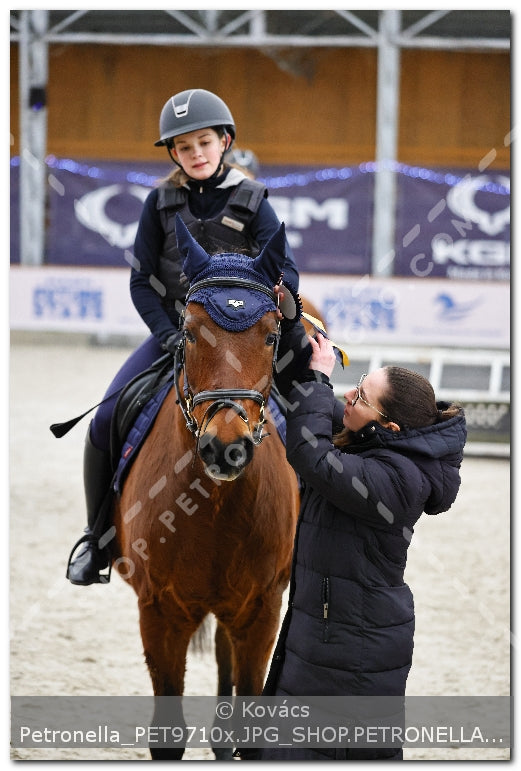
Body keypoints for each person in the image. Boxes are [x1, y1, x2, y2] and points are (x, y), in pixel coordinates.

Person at [66, 88, 300, 585]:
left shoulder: (254, 201)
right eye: (184, 147)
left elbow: (289, 274)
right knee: (104, 418)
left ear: (225, 142)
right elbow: (140, 280)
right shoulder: (159, 202)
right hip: (180, 335)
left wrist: (263, 313)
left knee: (306, 417)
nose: (195, 154)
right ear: (173, 153)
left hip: (242, 338)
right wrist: (169, 333)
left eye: (204, 142)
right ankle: (96, 539)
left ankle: (307, 541)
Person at [240, 324, 466, 761]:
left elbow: (311, 454)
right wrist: (289, 327)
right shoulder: (370, 443)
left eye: (361, 397)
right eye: (356, 386)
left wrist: (320, 379)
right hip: (327, 632)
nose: (348, 397)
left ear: (391, 425)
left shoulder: (399, 480)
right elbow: (307, 410)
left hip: (351, 650)